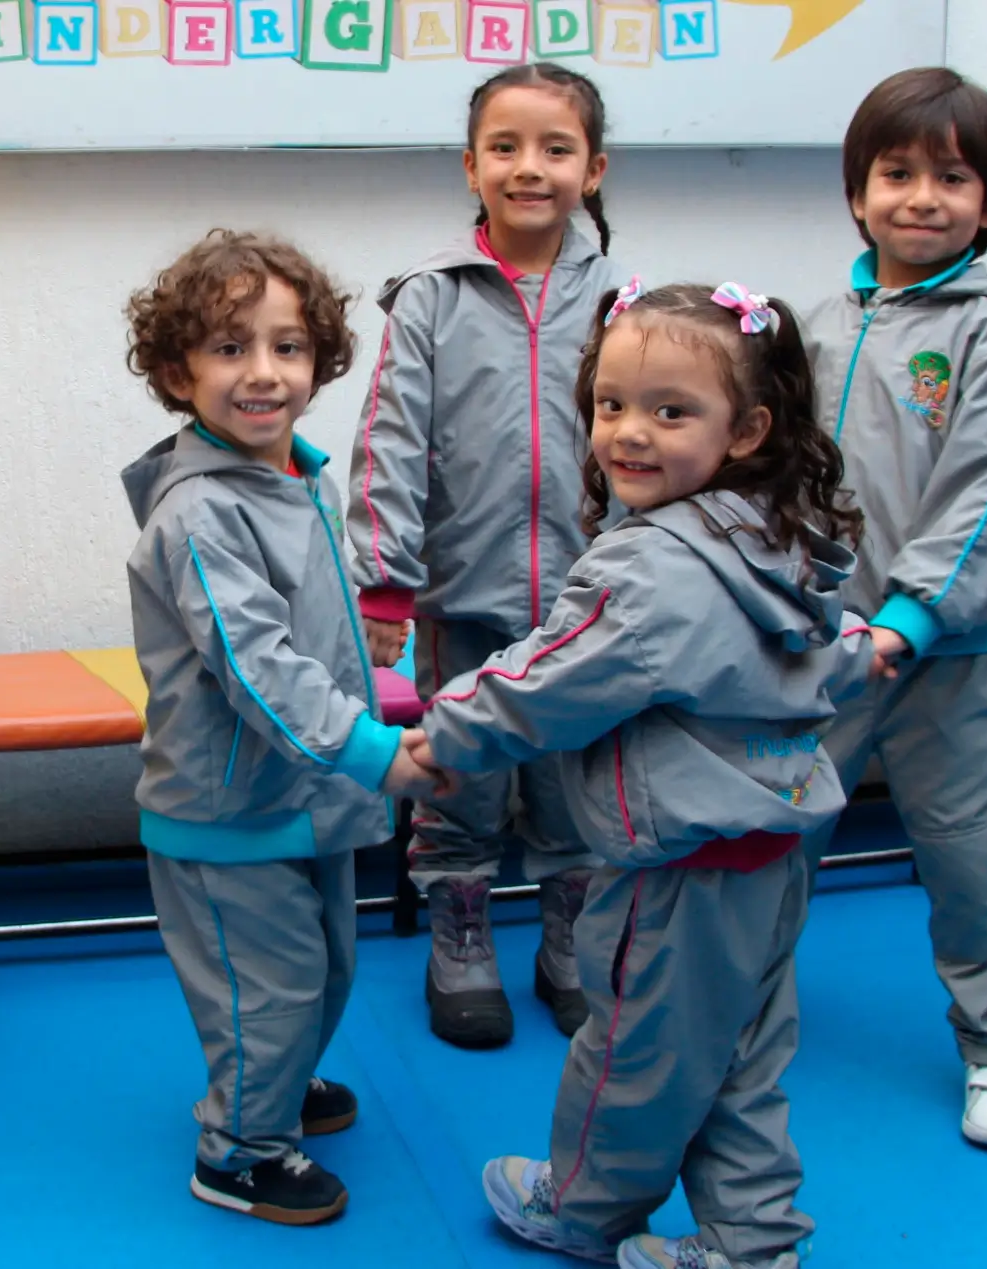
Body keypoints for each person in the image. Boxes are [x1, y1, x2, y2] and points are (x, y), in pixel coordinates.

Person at [410, 280, 873, 1269]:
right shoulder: (772, 536)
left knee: (632, 1055)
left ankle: (579, 1213)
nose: (630, 433)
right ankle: (754, 1245)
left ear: (745, 428)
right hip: (773, 854)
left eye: (672, 411)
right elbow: (822, 649)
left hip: (675, 873)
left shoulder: (648, 572)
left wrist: (438, 740)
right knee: (743, 1057)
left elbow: (545, 682)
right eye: (612, 405)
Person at [120, 229, 446, 1225]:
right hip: (228, 812)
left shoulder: (298, 476)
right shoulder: (202, 513)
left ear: (320, 362)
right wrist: (375, 751)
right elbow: (258, 667)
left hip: (303, 795)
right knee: (265, 987)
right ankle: (240, 1148)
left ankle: (280, 1077)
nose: (263, 373)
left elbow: (306, 617)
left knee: (325, 966)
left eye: (288, 347)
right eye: (229, 348)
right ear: (179, 372)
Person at [348, 62, 625, 1048]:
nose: (529, 168)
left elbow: (663, 445)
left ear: (593, 168)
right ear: (472, 165)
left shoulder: (625, 303)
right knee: (460, 766)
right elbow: (388, 437)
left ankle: (569, 938)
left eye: (555, 148)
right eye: (505, 147)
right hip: (462, 592)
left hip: (595, 600)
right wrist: (385, 579)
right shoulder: (431, 298)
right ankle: (459, 933)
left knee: (574, 775)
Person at [803, 66, 987, 1150]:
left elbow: (986, 490)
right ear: (858, 192)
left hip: (951, 656)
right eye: (896, 173)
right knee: (771, 836)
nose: (921, 198)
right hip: (822, 649)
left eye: (952, 178)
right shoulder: (817, 324)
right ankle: (737, 1011)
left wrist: (911, 617)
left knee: (970, 859)